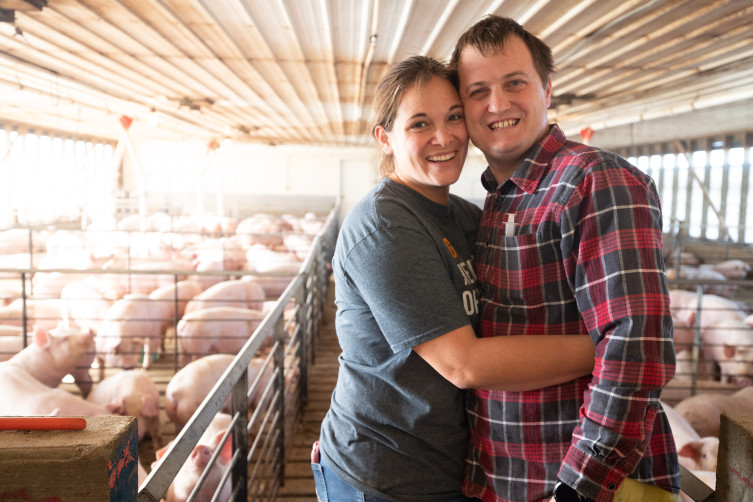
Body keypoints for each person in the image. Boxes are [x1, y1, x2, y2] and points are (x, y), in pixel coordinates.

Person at [312, 55, 596, 502]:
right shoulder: (384, 224)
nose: (443, 137)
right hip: (388, 474)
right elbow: (463, 364)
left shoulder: (466, 217)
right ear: (385, 138)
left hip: (455, 466)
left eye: (454, 117)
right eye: (420, 124)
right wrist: (612, 349)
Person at [450, 15, 681, 502]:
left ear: (547, 89)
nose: (497, 105)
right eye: (477, 91)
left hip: (578, 486)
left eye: (515, 83)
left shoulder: (593, 179)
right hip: (509, 479)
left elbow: (635, 339)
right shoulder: (499, 200)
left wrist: (580, 485)